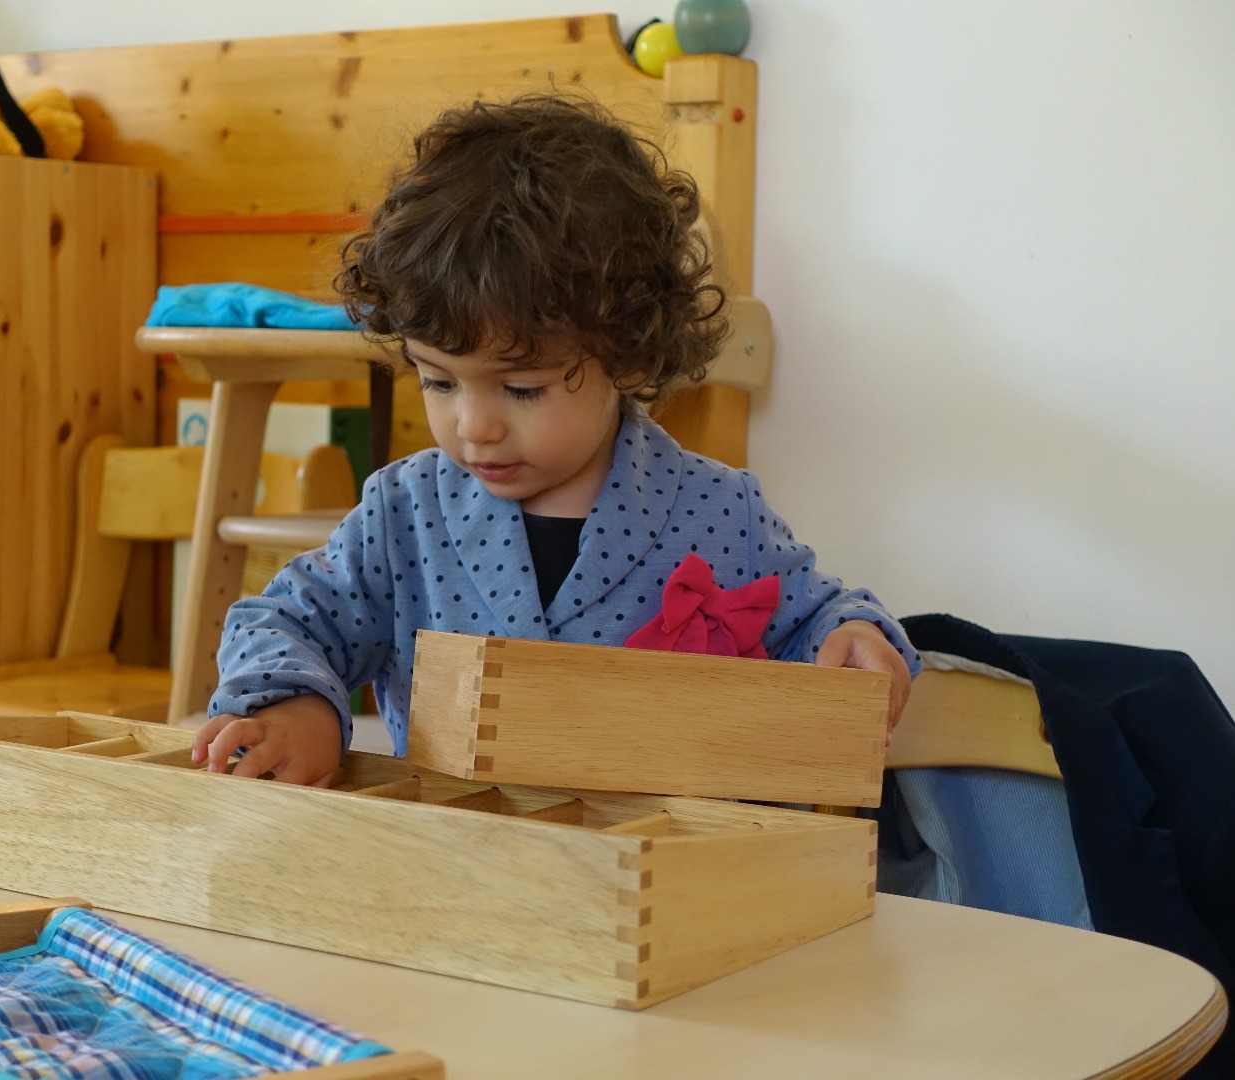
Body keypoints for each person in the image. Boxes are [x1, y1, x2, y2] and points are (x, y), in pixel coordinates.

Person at [192, 94, 918, 785]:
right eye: (439, 382)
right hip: (450, 867)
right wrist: (297, 705)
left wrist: (850, 637)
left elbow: (817, 617)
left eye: (522, 388)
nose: (473, 425)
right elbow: (286, 618)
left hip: (654, 881)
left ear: (629, 356)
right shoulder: (402, 512)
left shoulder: (721, 511)